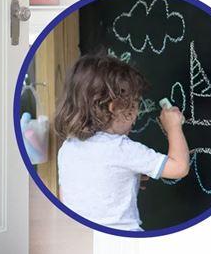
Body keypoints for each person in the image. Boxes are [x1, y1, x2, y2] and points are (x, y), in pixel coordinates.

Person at [55, 53, 189, 231]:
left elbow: (66, 197)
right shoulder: (122, 149)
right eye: (134, 103)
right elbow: (179, 167)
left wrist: (120, 179)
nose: (137, 114)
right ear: (115, 107)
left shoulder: (67, 148)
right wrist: (173, 127)